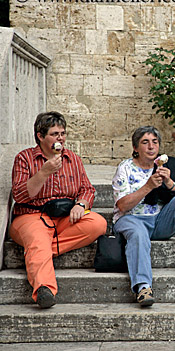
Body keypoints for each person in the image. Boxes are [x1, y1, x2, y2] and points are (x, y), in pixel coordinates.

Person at [10, 111, 107, 309]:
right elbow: (19, 195)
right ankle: (44, 289)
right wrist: (44, 172)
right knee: (37, 238)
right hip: (31, 215)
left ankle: (39, 253)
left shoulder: (73, 159)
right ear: (40, 136)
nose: (60, 138)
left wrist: (81, 204)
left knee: (98, 223)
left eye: (63, 133)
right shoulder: (24, 158)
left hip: (63, 217)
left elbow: (87, 189)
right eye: (55, 134)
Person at [112, 126, 175, 307]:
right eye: (145, 142)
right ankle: (143, 287)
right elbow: (122, 205)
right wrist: (148, 186)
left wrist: (169, 181)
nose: (151, 147)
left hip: (159, 221)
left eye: (155, 142)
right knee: (138, 234)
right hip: (131, 219)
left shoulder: (165, 167)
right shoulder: (125, 168)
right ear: (136, 148)